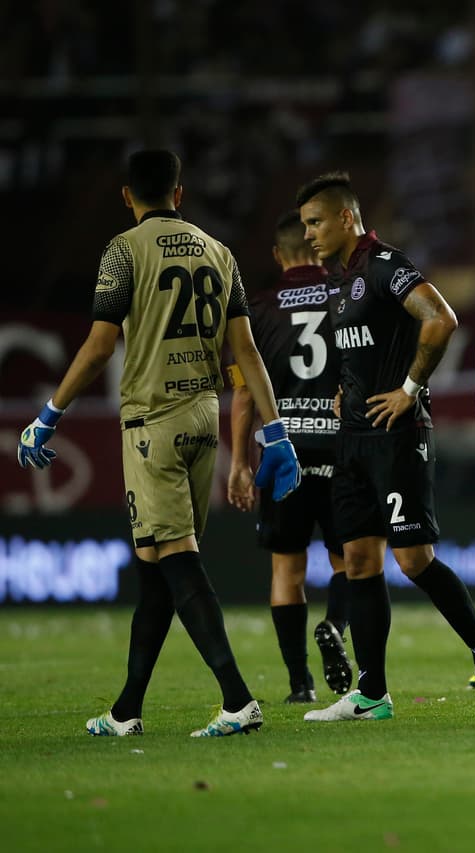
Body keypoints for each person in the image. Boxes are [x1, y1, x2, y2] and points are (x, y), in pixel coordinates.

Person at [18, 149, 298, 737]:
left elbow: (99, 347)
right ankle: (126, 711)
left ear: (128, 196)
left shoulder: (124, 250)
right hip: (204, 419)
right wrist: (276, 434)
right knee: (155, 568)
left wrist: (49, 413)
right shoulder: (218, 252)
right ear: (180, 192)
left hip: (153, 425)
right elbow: (246, 353)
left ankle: (237, 698)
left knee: (176, 557)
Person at [293, 172, 475, 723]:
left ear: (346, 218)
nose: (309, 235)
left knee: (413, 559)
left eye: (316, 222)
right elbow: (362, 349)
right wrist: (350, 390)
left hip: (397, 438)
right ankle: (371, 693)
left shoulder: (385, 265)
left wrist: (409, 390)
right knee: (360, 562)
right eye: (303, 226)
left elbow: (441, 319)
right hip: (353, 441)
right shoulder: (341, 280)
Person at [227, 211, 352, 704]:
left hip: (284, 452)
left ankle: (300, 684)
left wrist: (239, 461)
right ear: (316, 247)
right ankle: (337, 626)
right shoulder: (345, 295)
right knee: (350, 560)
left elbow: (242, 396)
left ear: (278, 255)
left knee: (287, 570)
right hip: (342, 447)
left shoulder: (257, 309)